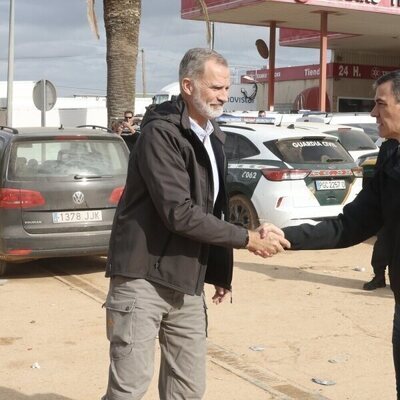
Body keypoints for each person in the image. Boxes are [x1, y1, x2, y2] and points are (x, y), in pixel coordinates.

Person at [101, 48, 290, 400]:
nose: (223, 96)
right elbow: (179, 212)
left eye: (226, 88)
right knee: (128, 389)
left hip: (187, 281)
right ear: (188, 86)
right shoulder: (161, 134)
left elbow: (212, 209)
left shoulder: (212, 135)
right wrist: (247, 240)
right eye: (216, 87)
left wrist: (219, 271)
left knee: (187, 389)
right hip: (142, 278)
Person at [272, 70, 400, 398]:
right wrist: (286, 237)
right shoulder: (389, 155)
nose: (373, 113)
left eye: (380, 104)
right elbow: (351, 224)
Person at [363, 138, 398, 290]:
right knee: (383, 243)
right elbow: (379, 174)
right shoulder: (389, 146)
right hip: (388, 205)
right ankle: (379, 276)